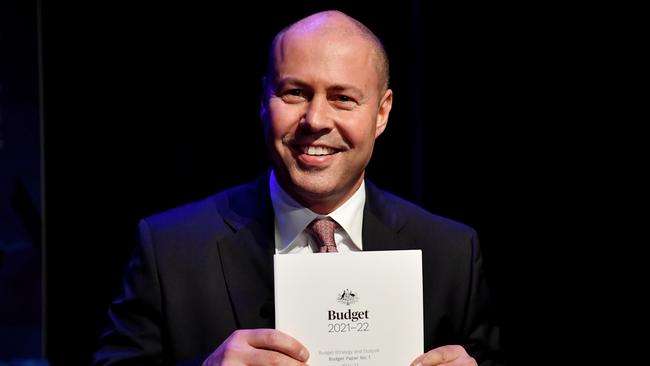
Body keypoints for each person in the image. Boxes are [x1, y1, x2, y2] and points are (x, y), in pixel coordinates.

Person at [92, 10, 504, 366]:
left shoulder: (451, 254)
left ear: (382, 113)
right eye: (294, 93)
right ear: (263, 100)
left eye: (343, 98)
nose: (315, 120)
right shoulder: (170, 249)